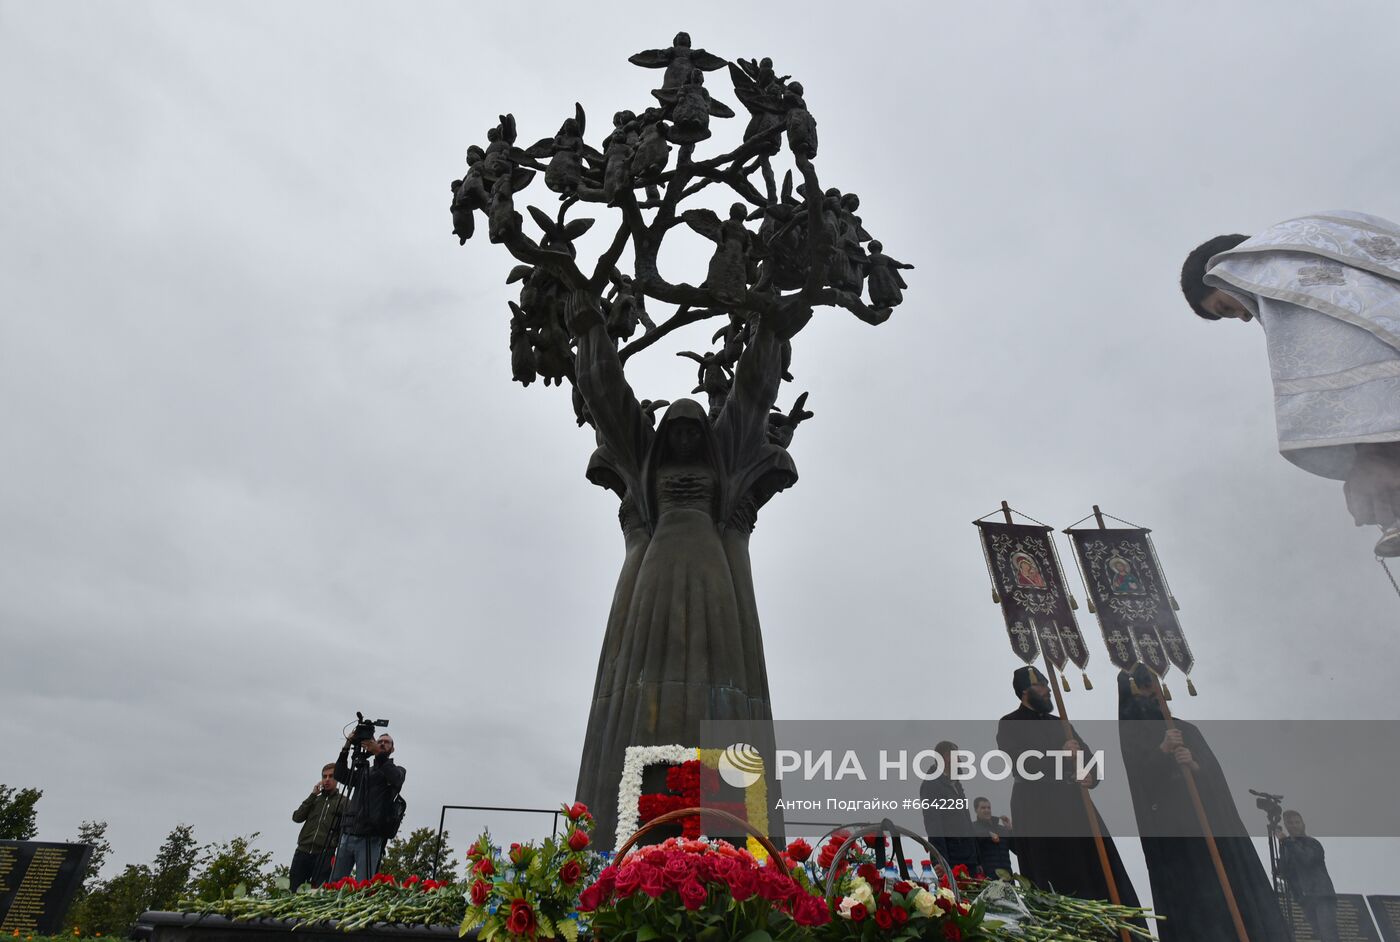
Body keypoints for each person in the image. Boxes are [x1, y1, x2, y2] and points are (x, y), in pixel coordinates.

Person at [1180, 211, 1400, 557]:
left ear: (1226, 271)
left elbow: (1349, 365)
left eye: (1225, 306)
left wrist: (1371, 452)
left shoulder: (1282, 267)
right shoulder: (1312, 247)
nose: (1244, 316)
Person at [1117, 666, 1289, 941]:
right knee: (1198, 906)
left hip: (1212, 828)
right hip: (1177, 840)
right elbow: (1141, 781)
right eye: (1146, 687)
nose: (1154, 692)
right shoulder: (1133, 736)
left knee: (1234, 893)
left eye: (1154, 685)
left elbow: (1214, 776)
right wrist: (1163, 750)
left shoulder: (1185, 729)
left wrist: (1195, 765)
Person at [995, 666, 1143, 918]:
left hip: (1076, 807)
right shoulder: (1009, 723)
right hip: (1038, 811)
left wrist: (1090, 774)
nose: (1048, 689)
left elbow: (1088, 757)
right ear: (1025, 691)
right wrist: (1060, 755)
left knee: (1098, 871)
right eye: (1041, 684)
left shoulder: (1060, 723)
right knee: (1055, 877)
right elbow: (1022, 764)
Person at [330, 732, 406, 881]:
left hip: (371, 837)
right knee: (335, 883)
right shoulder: (365, 771)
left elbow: (395, 778)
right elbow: (340, 775)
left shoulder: (398, 770)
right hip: (348, 833)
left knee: (363, 885)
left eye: (387, 742)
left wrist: (377, 752)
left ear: (393, 749)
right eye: (380, 741)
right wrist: (347, 746)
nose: (383, 744)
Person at [1278, 809, 1339, 942]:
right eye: (1290, 823)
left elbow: (1307, 859)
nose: (1294, 825)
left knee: (1328, 934)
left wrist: (1286, 842)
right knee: (1320, 935)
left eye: (1297, 822)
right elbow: (1287, 872)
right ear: (1286, 826)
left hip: (1321, 895)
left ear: (1302, 824)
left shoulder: (1311, 843)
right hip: (1305, 898)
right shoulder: (1287, 846)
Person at [919, 740, 980, 872]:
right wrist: (939, 860)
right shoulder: (931, 785)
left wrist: (977, 859)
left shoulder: (955, 784)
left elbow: (967, 821)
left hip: (969, 858)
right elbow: (933, 825)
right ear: (947, 757)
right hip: (952, 859)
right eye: (957, 756)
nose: (960, 761)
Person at [289, 763, 346, 891]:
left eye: (331, 776)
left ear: (337, 778)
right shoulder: (315, 799)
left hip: (324, 854)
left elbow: (347, 829)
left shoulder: (344, 802)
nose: (327, 779)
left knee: (318, 892)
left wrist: (334, 843)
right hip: (303, 851)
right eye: (324, 776)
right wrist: (312, 795)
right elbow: (297, 817)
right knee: (294, 890)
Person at [971, 796, 1014, 877]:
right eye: (983, 808)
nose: (987, 810)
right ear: (976, 810)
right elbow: (972, 851)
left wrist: (1010, 830)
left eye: (989, 807)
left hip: (1008, 877)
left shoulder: (1002, 829)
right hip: (988, 878)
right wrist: (988, 834)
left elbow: (1016, 849)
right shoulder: (973, 828)